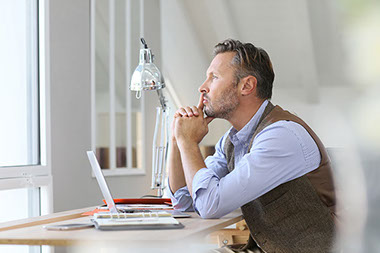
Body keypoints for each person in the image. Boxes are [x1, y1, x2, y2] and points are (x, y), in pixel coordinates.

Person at [168, 39, 337, 253]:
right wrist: (177, 140)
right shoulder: (231, 141)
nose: (202, 87)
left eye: (214, 77)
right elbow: (185, 203)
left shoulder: (281, 136)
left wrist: (188, 142)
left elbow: (209, 204)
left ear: (246, 86)